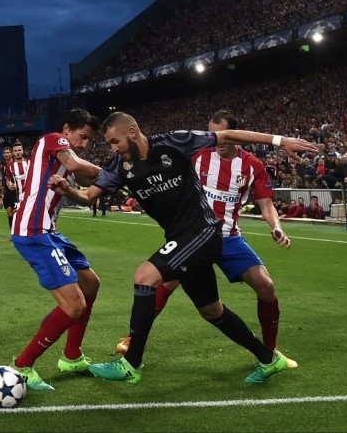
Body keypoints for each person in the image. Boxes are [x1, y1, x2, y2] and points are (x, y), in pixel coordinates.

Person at [49, 111, 318, 385]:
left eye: (114, 141)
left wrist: (279, 140)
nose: (113, 148)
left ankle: (131, 364)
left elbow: (226, 135)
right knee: (211, 310)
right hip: (181, 239)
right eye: (109, 144)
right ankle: (269, 359)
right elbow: (88, 196)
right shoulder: (120, 166)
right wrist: (67, 190)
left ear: (132, 133)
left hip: (203, 231)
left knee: (145, 276)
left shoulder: (174, 142)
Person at [113, 110, 298, 371]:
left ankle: (271, 350)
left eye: (221, 135)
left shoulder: (252, 166)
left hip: (229, 237)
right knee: (162, 282)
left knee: (265, 286)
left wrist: (277, 227)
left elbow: (266, 204)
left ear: (233, 135)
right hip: (193, 234)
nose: (217, 141)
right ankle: (133, 340)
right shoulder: (197, 155)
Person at [9, 108, 104, 391]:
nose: (84, 144)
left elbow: (90, 186)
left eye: (89, 141)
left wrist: (109, 177)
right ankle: (23, 366)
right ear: (66, 130)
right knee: (74, 305)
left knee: (90, 283)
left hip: (49, 230)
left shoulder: (68, 160)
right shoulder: (52, 140)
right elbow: (77, 166)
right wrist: (117, 170)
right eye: (82, 137)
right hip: (32, 231)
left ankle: (71, 356)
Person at [6, 141, 30, 212]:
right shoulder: (10, 165)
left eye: (19, 150)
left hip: (31, 194)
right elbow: (8, 179)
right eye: (15, 151)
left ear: (23, 151)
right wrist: (10, 185)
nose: (17, 152)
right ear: (13, 153)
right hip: (18, 195)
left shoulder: (29, 163)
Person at [1, 147, 18, 233]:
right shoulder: (3, 166)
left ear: (11, 153)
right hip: (7, 192)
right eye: (5, 153)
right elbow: (4, 181)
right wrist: (2, 193)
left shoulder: (15, 164)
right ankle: (12, 233)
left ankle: (18, 232)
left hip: (15, 192)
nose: (6, 154)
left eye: (8, 152)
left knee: (16, 212)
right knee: (9, 212)